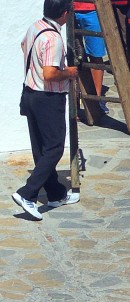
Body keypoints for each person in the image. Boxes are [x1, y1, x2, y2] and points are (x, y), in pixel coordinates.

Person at [13, 0, 80, 222]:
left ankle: (55, 193)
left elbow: (24, 46)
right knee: (54, 148)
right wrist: (69, 72)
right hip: (48, 98)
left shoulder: (35, 26)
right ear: (64, 13)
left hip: (30, 94)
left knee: (41, 148)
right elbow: (50, 74)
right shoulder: (53, 38)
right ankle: (27, 193)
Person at [73, 0, 109, 115]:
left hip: (93, 9)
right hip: (69, 9)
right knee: (72, 57)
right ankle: (75, 100)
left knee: (96, 55)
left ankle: (96, 100)